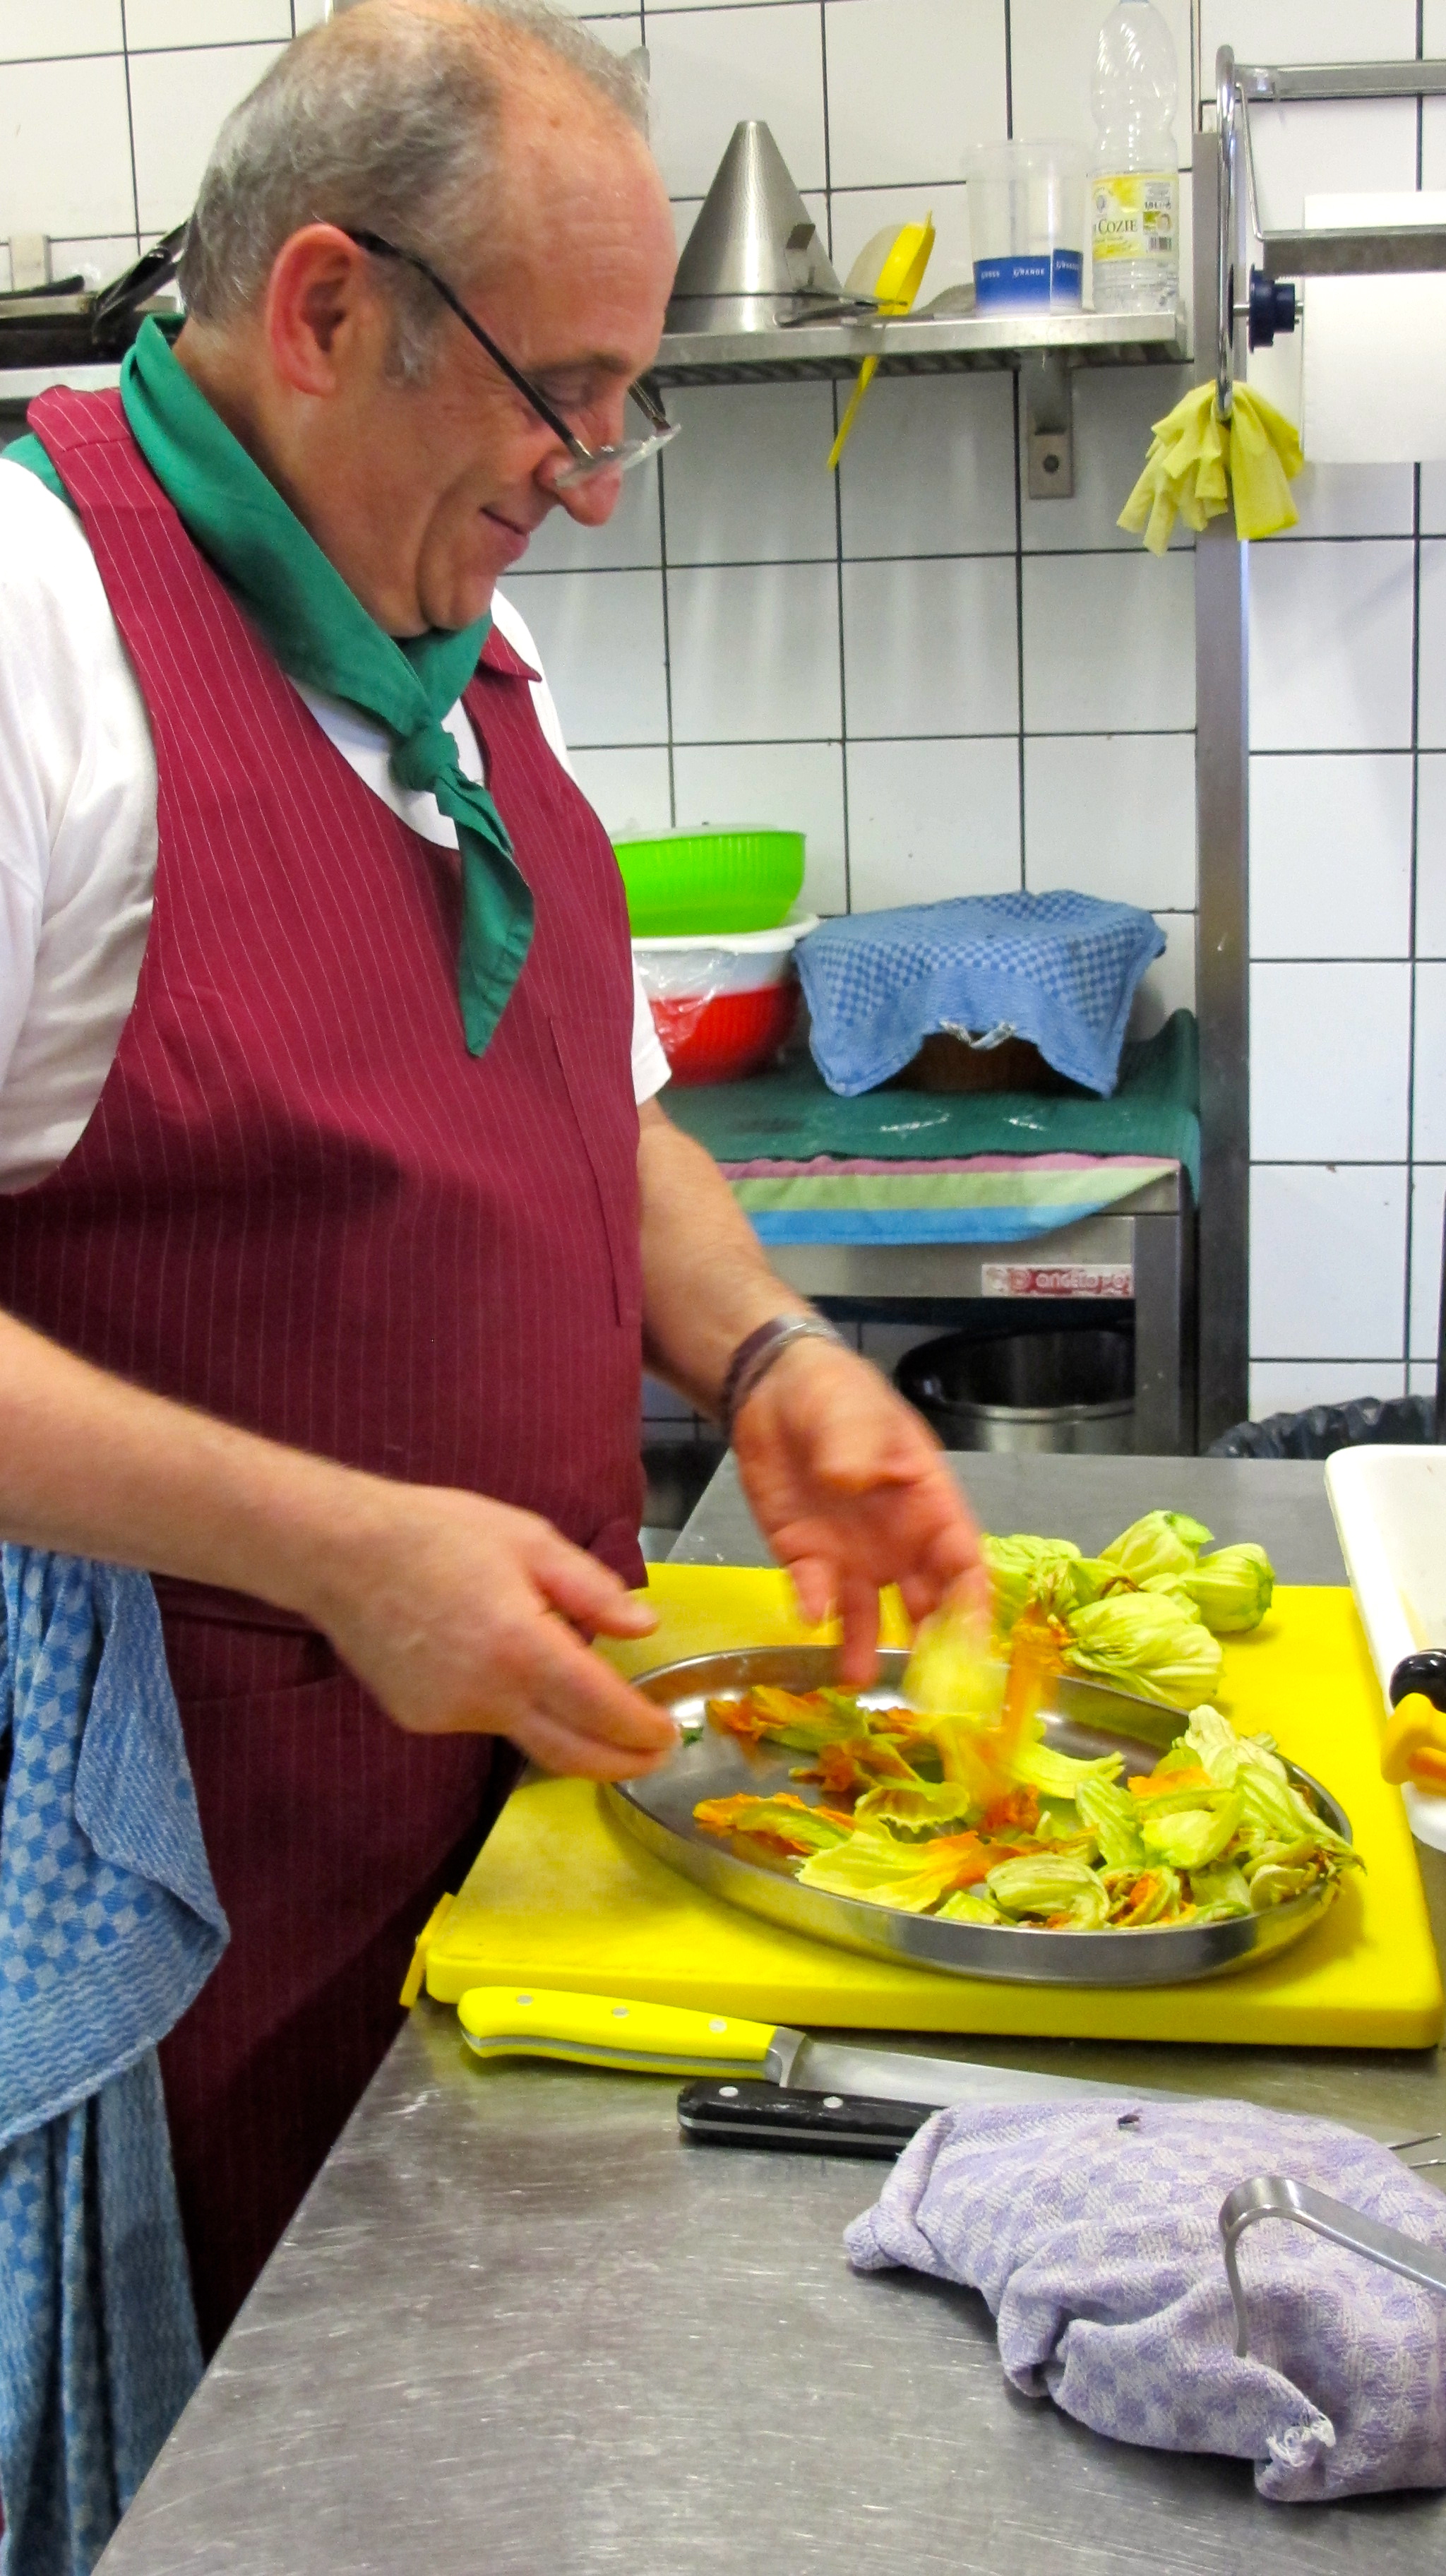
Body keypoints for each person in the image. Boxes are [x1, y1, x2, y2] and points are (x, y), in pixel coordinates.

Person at [0, 0, 982, 2349]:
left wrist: (769, 1353)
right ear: (326, 307)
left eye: (621, 397)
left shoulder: (455, 626)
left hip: (500, 1852)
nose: (601, 472)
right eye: (566, 395)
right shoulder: (38, 636)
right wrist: (341, 1549)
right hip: (190, 1897)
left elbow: (582, 1095)